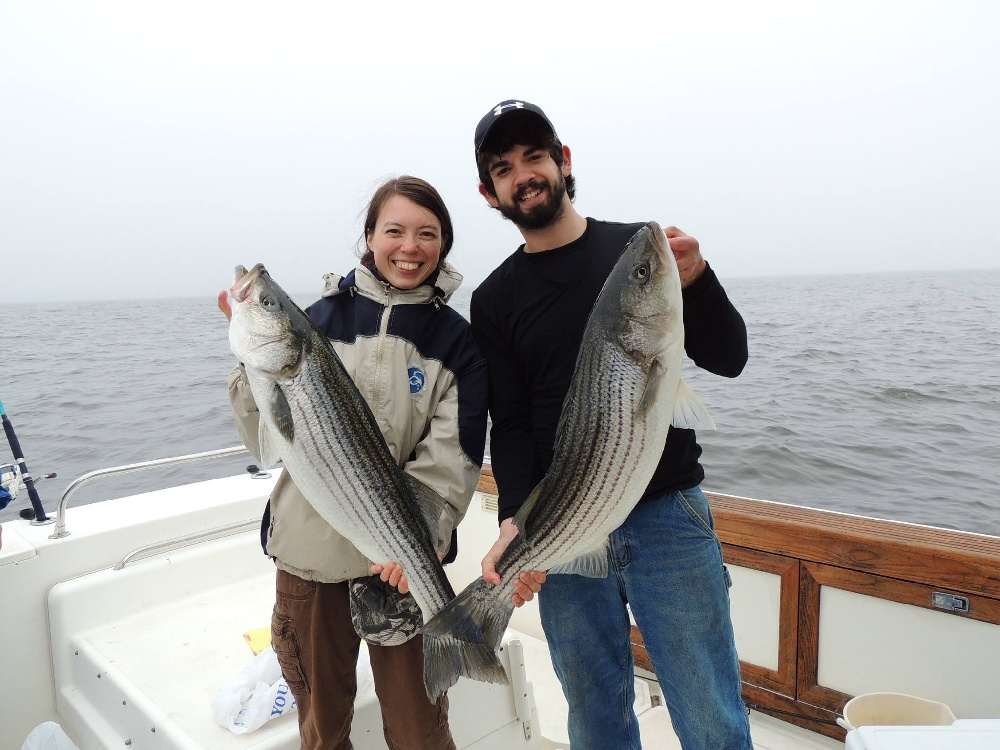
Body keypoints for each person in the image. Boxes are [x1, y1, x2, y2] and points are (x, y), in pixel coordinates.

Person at [468, 100, 753, 750]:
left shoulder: (638, 255)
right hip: (563, 525)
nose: (525, 174)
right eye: (504, 168)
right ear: (490, 194)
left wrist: (698, 281)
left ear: (564, 162)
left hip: (666, 518)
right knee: (596, 721)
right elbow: (508, 424)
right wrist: (516, 517)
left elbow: (729, 357)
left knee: (711, 715)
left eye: (535, 156)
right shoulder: (494, 298)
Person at [221, 175, 489, 750]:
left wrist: (426, 535)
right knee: (322, 728)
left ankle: (455, 639)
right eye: (393, 230)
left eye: (427, 234)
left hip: (397, 567)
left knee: (420, 733)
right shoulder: (317, 319)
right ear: (369, 236)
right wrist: (249, 373)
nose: (409, 247)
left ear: (443, 245)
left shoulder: (458, 343)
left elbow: (454, 458)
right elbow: (265, 444)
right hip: (308, 558)